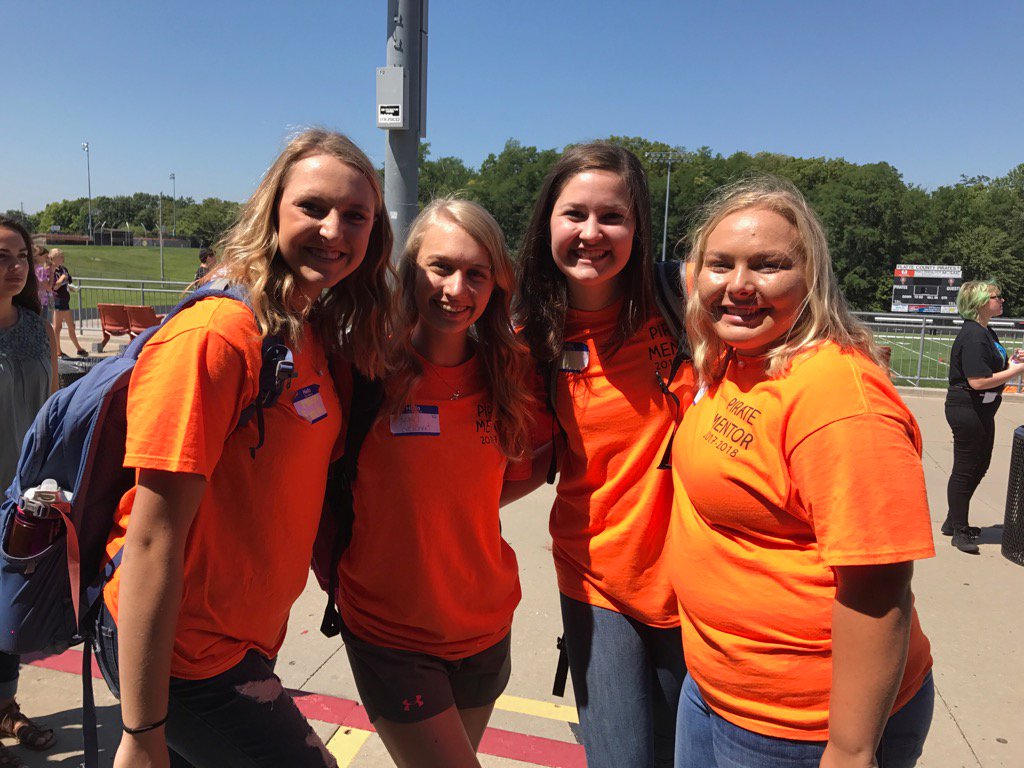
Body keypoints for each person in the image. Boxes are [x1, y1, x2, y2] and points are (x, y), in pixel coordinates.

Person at [92, 129, 394, 768]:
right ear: (273, 211)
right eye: (313, 207)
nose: (335, 230)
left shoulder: (306, 330)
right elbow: (151, 538)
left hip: (241, 637)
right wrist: (142, 732)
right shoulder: (219, 336)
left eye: (356, 215)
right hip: (184, 654)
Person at [670, 176, 935, 768]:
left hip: (800, 726)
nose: (739, 285)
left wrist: (850, 748)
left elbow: (878, 585)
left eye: (768, 265)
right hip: (715, 689)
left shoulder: (837, 397)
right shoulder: (736, 359)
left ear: (811, 279)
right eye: (721, 264)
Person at [334, 198, 539, 767]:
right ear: (410, 270)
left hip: (485, 625)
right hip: (391, 632)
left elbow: (513, 477)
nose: (457, 289)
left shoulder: (509, 368)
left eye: (477, 274)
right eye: (441, 267)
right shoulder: (365, 367)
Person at [514, 142, 696, 768]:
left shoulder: (687, 301)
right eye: (574, 214)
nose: (592, 233)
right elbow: (530, 457)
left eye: (612, 217)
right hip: (598, 578)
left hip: (699, 582)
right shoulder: (529, 332)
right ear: (547, 224)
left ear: (638, 227)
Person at [0, 217, 59, 768]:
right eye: (1, 256)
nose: (14, 266)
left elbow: (54, 406)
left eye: (20, 255)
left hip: (22, 499)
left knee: (9, 616)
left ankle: (4, 707)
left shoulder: (36, 328)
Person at [942, 280, 1024, 554]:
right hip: (968, 407)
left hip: (981, 409)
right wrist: (1017, 371)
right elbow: (978, 381)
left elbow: (990, 368)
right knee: (966, 468)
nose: (1001, 300)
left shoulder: (985, 332)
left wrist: (1011, 362)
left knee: (979, 465)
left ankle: (954, 519)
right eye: (995, 297)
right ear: (979, 303)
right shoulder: (974, 336)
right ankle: (959, 530)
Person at [49, 248, 87, 357]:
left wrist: (71, 287)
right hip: (57, 301)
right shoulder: (51, 271)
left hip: (65, 300)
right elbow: (54, 286)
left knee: (71, 325)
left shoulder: (63, 269)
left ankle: (78, 348)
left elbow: (68, 281)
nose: (62, 258)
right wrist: (61, 279)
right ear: (53, 258)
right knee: (57, 327)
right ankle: (58, 351)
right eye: (60, 256)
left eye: (62, 256)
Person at [32, 246, 53, 321]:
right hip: (42, 301)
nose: (46, 259)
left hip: (33, 300)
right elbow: (48, 287)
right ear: (37, 256)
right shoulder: (40, 269)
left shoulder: (31, 267)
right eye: (45, 257)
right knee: (42, 325)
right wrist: (52, 272)